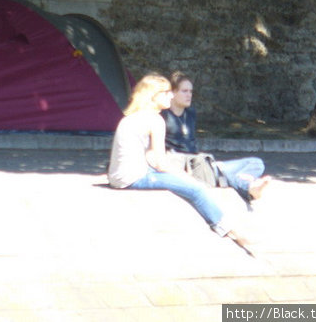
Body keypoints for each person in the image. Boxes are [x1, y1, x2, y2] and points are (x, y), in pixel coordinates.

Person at [107, 73, 251, 251]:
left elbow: (151, 157)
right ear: (154, 95)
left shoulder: (135, 116)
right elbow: (159, 162)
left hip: (124, 174)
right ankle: (230, 230)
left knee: (184, 183)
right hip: (132, 178)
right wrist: (185, 177)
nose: (170, 95)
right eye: (166, 92)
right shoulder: (155, 120)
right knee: (196, 189)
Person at [161, 71, 271, 206]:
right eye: (184, 91)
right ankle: (248, 188)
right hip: (186, 166)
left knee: (256, 163)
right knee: (219, 172)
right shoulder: (163, 117)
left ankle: (237, 179)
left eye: (191, 91)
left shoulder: (191, 113)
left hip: (202, 162)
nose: (189, 95)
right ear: (172, 93)